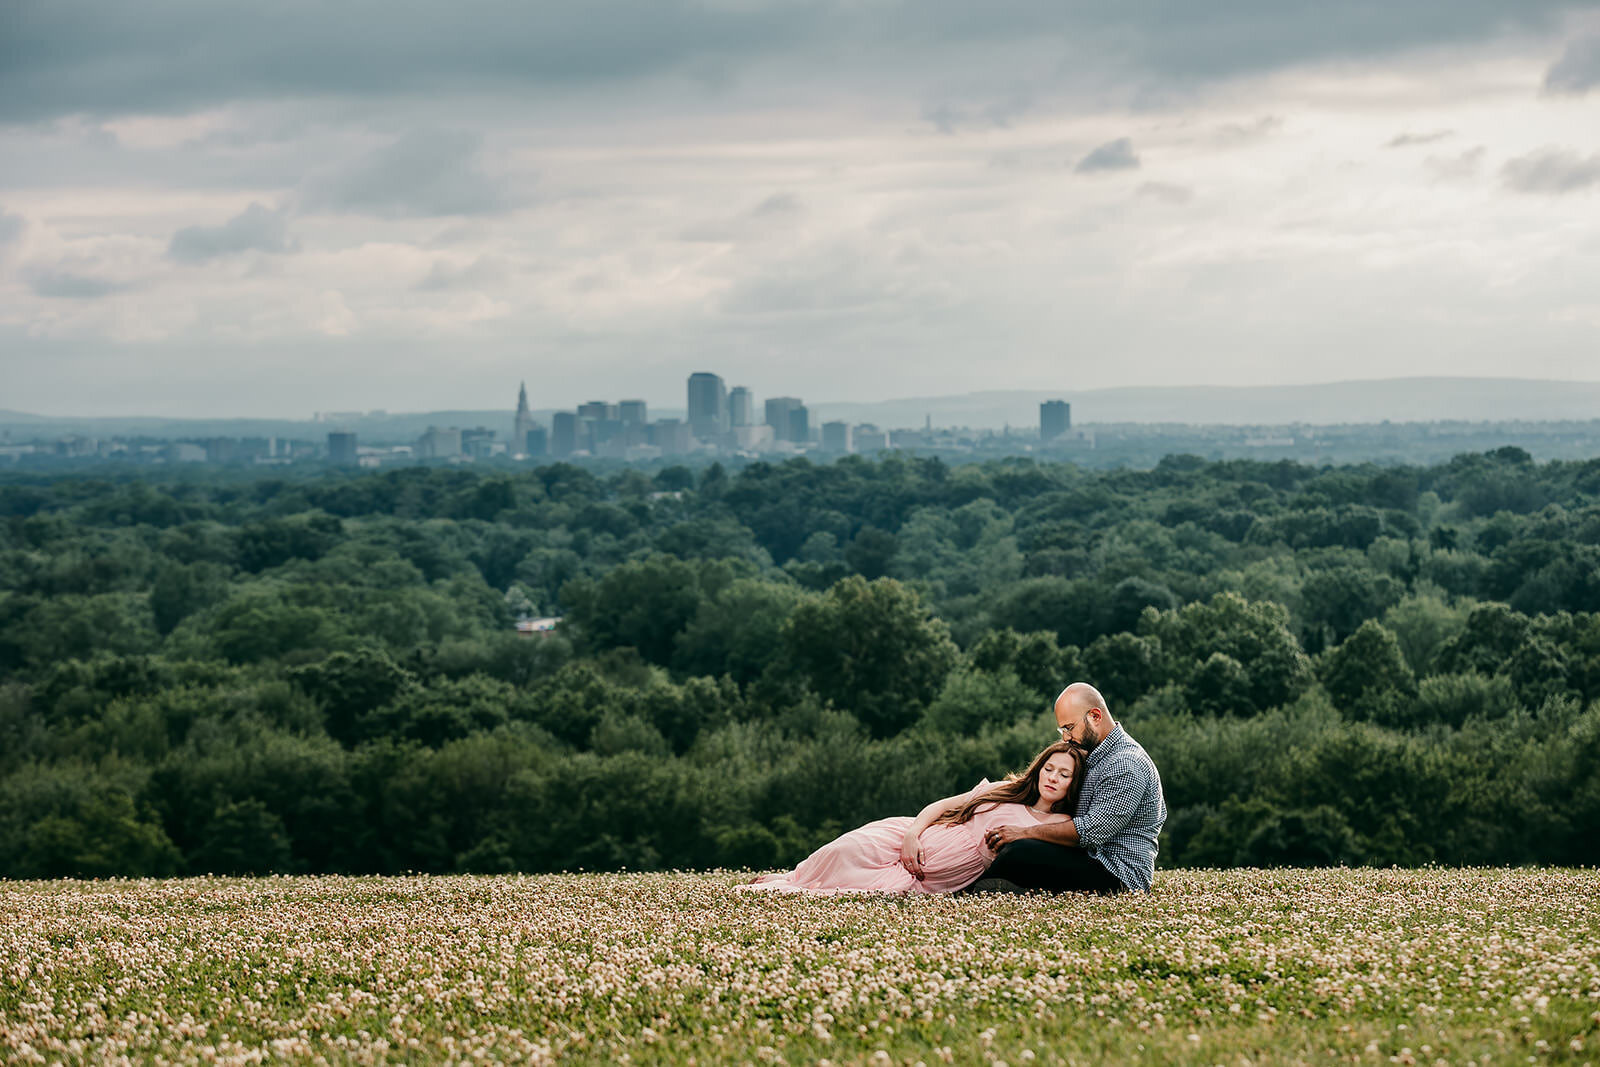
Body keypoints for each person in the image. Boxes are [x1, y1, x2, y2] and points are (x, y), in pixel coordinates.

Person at [736, 741, 1087, 895]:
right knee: (845, 850)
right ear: (1039, 769)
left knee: (861, 890)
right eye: (1049, 768)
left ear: (1073, 784)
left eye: (1064, 774)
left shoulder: (1056, 827)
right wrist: (912, 835)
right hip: (917, 833)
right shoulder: (1004, 789)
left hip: (934, 872)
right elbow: (941, 806)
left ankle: (790, 888)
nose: (1053, 777)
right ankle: (794, 876)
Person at [976, 682, 1166, 894]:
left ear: (1095, 716)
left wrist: (1024, 832)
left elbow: (1091, 831)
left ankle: (967, 894)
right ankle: (992, 887)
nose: (1065, 737)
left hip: (1117, 874)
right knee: (1017, 852)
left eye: (1069, 728)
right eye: (1062, 729)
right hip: (1088, 858)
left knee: (1019, 851)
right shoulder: (1094, 753)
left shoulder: (1125, 764)